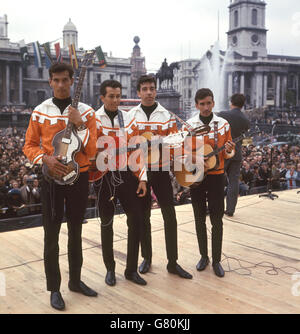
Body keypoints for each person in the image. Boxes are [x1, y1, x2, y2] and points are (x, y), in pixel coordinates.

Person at [23, 62, 98, 311]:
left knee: (76, 232)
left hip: (79, 177)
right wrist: (45, 158)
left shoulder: (86, 112)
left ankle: (75, 281)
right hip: (51, 179)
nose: (61, 85)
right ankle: (54, 288)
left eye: (65, 80)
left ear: (73, 80)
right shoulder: (40, 111)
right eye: (56, 80)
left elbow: (92, 149)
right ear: (50, 82)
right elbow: (29, 145)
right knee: (51, 235)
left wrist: (79, 124)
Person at [129, 75, 192, 279]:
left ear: (156, 91)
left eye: (152, 88)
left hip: (161, 169)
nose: (148, 92)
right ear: (138, 92)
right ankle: (146, 258)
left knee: (170, 216)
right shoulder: (130, 115)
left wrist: (168, 151)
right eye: (144, 88)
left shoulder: (166, 115)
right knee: (143, 216)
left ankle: (172, 262)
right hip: (140, 173)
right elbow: (129, 145)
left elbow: (175, 144)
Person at [94, 80, 148, 286]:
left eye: (118, 96)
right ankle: (110, 269)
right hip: (104, 177)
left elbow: (138, 151)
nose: (116, 100)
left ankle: (131, 270)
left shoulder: (128, 119)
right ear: (102, 97)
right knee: (106, 223)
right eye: (111, 96)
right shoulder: (94, 119)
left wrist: (142, 177)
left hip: (126, 174)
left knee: (136, 220)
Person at [185, 88, 235, 277]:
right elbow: (183, 152)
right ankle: (203, 256)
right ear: (196, 105)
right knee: (198, 218)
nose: (206, 107)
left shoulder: (223, 124)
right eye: (202, 104)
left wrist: (229, 149)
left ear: (213, 103)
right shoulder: (189, 125)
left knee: (217, 219)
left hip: (216, 175)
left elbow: (229, 152)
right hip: (196, 175)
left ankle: (216, 260)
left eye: (209, 103)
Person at [218, 93, 250, 216]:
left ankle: (216, 207)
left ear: (231, 102)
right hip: (236, 153)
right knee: (234, 181)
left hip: (223, 152)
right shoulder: (245, 120)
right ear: (243, 105)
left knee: (218, 180)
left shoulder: (223, 115)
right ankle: (230, 210)